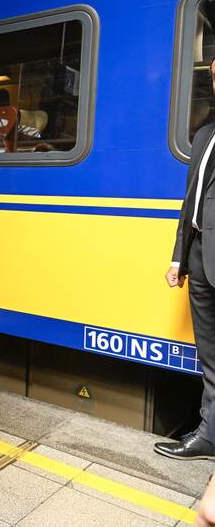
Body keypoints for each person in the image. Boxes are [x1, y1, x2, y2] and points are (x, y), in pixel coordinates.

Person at [158, 57, 215, 461]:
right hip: (200, 260)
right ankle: (210, 433)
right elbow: (190, 202)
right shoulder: (204, 134)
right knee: (210, 356)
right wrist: (180, 257)